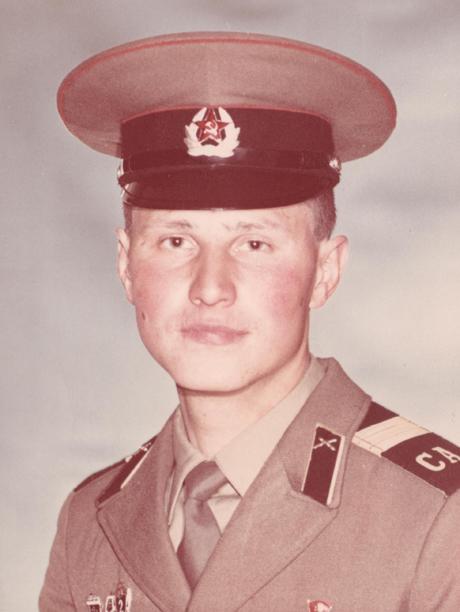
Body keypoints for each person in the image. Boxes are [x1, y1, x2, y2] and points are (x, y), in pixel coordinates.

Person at [40, 32, 460, 611]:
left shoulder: (438, 520)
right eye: (176, 240)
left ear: (325, 272)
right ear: (126, 266)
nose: (210, 287)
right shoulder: (88, 522)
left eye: (254, 243)